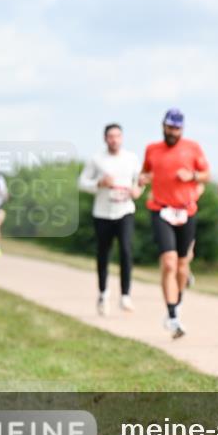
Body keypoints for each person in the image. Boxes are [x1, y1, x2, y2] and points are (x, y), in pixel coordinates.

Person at [139, 108, 210, 339]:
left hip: (186, 211)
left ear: (182, 129)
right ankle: (172, 316)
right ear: (163, 126)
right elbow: (146, 174)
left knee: (182, 265)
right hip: (161, 210)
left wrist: (194, 177)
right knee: (169, 263)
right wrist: (141, 181)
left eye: (177, 128)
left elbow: (206, 174)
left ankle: (176, 302)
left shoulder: (193, 148)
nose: (173, 131)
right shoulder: (152, 149)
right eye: (170, 127)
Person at [78, 123, 143, 315]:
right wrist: (99, 183)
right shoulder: (96, 159)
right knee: (103, 253)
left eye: (117, 136)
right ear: (105, 139)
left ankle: (125, 295)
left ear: (122, 138)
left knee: (125, 250)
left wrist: (138, 190)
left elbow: (141, 180)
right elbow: (81, 183)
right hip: (103, 212)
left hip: (125, 210)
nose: (114, 140)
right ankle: (103, 294)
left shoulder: (131, 158)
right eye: (111, 136)